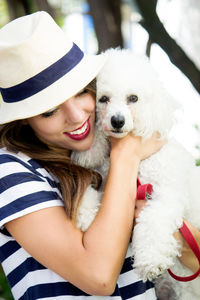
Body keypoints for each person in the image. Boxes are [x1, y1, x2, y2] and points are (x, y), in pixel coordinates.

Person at [0, 11, 199, 300]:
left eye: (81, 92)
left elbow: (192, 262)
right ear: (24, 119)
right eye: (49, 110)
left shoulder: (97, 156)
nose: (77, 116)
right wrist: (126, 155)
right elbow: (99, 277)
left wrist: (174, 232)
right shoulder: (10, 171)